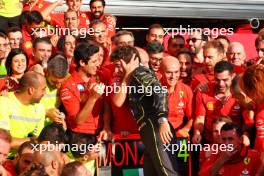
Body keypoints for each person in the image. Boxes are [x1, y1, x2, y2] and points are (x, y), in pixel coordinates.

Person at [110, 45, 181, 176]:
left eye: (118, 65)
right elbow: (117, 102)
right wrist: (126, 76)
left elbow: (160, 92)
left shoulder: (139, 73)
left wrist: (162, 119)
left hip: (156, 128)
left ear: (129, 61)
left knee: (168, 173)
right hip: (148, 131)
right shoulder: (132, 77)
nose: (116, 70)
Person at [60, 43, 111, 143]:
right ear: (82, 62)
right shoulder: (68, 86)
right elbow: (78, 121)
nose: (98, 64)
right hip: (79, 137)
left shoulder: (99, 77)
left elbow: (106, 105)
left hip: (101, 133)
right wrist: (92, 98)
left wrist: (106, 127)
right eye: (94, 61)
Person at [193, 61, 246, 144]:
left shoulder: (241, 93)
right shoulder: (204, 91)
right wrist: (197, 133)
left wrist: (246, 135)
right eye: (217, 80)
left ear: (233, 76)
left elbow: (246, 120)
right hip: (210, 140)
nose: (221, 84)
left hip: (234, 141)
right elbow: (200, 118)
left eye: (225, 80)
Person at [0, 71, 46, 149]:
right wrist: (32, 141)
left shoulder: (40, 108)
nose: (45, 93)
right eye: (43, 89)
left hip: (23, 156)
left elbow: (39, 140)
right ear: (31, 90)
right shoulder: (3, 103)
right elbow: (4, 142)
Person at [160, 56, 193, 138]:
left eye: (176, 72)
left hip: (179, 136)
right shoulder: (152, 90)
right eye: (168, 72)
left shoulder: (186, 90)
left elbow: (192, 117)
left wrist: (185, 129)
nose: (173, 76)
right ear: (160, 71)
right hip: (157, 136)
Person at [239, 64, 264, 152]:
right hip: (258, 155)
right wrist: (246, 134)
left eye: (248, 91)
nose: (247, 96)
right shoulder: (258, 103)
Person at [40, 54, 69, 127]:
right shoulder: (38, 80)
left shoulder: (69, 79)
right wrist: (46, 113)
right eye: (54, 82)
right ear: (47, 71)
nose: (58, 86)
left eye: (61, 82)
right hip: (37, 128)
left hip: (55, 128)